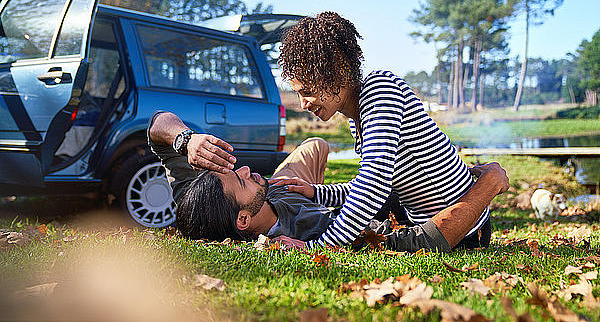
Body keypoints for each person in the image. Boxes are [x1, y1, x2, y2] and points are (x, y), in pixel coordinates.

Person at [272, 11, 494, 249]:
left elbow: (374, 183)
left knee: (364, 236)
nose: (303, 104)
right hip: (419, 215)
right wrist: (316, 193)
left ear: (338, 69)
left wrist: (320, 246)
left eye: (307, 91)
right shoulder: (357, 116)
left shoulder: (380, 90)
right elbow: (370, 183)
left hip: (464, 228)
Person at [147, 111, 509, 251]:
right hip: (298, 206)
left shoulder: (193, 196)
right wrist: (488, 184)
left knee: (316, 145)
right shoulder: (306, 231)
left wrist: (186, 140)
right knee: (390, 187)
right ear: (243, 220)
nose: (243, 168)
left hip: (284, 187)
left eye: (232, 169)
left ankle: (307, 183)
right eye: (239, 180)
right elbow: (422, 241)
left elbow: (156, 126)